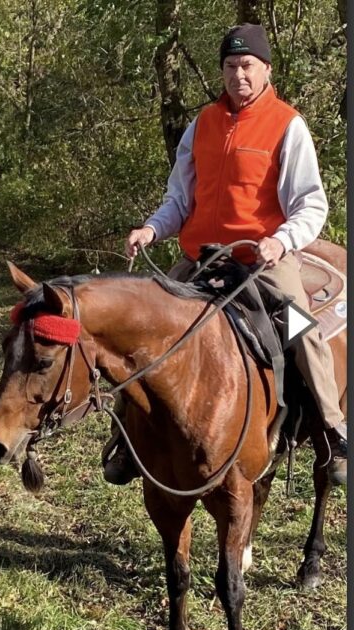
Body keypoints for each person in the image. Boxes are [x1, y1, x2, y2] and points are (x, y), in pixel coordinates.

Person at [104, 23, 347, 486]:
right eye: (231, 66)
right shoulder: (201, 125)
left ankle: (334, 433)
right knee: (139, 324)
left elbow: (311, 203)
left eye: (248, 65)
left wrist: (281, 241)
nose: (239, 74)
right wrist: (152, 229)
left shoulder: (287, 125)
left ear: (266, 70)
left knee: (303, 329)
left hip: (263, 261)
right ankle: (126, 440)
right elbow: (180, 198)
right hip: (201, 258)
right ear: (221, 70)